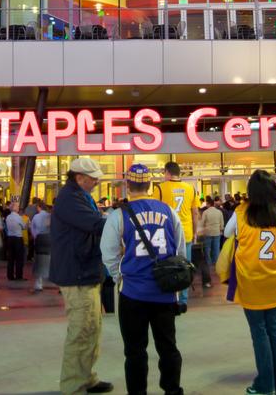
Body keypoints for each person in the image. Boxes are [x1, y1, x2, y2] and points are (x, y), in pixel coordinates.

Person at [101, 163, 185, 395]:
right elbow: (180, 250)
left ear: (128, 185)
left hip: (132, 293)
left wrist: (120, 277)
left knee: (135, 351)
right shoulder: (169, 211)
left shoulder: (119, 215)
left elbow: (107, 252)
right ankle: (172, 390)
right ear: (150, 185)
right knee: (168, 347)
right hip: (165, 293)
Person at [224, 170, 276, 395]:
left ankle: (265, 384)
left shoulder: (242, 212)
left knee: (259, 332)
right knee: (274, 329)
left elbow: (227, 233)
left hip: (250, 280)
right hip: (273, 278)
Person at [51, 157, 114, 395]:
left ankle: (86, 377)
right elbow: (96, 225)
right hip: (76, 272)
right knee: (81, 331)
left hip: (84, 270)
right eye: (93, 178)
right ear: (79, 178)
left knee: (91, 328)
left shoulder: (78, 197)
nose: (97, 181)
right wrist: (119, 221)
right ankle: (73, 385)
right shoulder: (70, 199)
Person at [154, 161, 198, 312]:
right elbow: (195, 213)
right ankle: (183, 301)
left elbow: (155, 211)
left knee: (168, 267)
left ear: (167, 172)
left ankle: (171, 298)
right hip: (186, 233)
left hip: (167, 234)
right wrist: (196, 231)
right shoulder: (191, 189)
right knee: (184, 267)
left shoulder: (159, 188)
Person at [198, 195, 224, 288]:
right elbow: (222, 223)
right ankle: (216, 263)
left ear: (209, 204)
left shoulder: (205, 212)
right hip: (217, 232)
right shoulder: (219, 212)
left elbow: (202, 222)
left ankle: (208, 263)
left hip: (208, 232)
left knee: (207, 249)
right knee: (216, 249)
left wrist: (201, 230)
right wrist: (221, 229)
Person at [30, 203, 52, 293]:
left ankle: (39, 284)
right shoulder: (49, 215)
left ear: (39, 207)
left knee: (39, 260)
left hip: (39, 239)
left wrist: (36, 236)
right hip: (49, 238)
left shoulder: (35, 217)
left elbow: (32, 228)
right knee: (50, 258)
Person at [6, 199, 27, 281]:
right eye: (17, 206)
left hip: (10, 238)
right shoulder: (18, 217)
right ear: (14, 208)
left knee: (10, 258)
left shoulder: (8, 217)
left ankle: (10, 275)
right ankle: (18, 276)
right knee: (19, 258)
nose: (19, 208)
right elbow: (24, 227)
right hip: (18, 238)